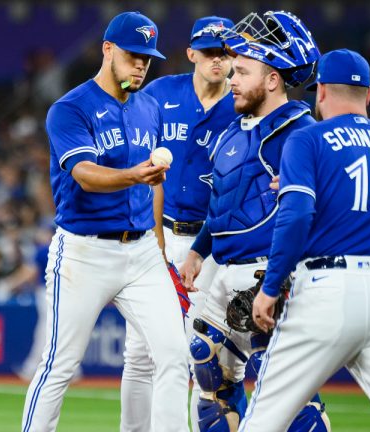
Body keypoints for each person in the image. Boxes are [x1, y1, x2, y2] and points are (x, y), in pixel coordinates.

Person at [21, 11, 189, 432]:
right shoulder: (71, 108)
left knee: (173, 355)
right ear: (108, 49)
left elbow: (154, 187)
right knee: (60, 364)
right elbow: (85, 175)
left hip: (142, 253)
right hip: (84, 250)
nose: (141, 65)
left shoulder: (149, 106)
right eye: (133, 55)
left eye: (147, 58)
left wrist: (160, 249)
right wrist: (136, 174)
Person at [243, 49, 370, 432]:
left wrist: (271, 287)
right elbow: (359, 206)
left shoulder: (307, 139)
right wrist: (301, 184)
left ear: (321, 91)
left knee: (263, 422)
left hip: (330, 291)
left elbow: (297, 216)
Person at [179, 11, 330, 432]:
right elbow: (223, 207)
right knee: (209, 376)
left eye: (243, 71)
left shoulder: (300, 132)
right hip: (222, 271)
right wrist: (197, 250)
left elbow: (316, 208)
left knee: (287, 393)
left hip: (270, 273)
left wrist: (277, 281)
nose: (232, 78)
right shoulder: (233, 131)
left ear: (272, 80)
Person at [125, 16, 236, 431]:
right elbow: (137, 160)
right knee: (138, 351)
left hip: (206, 247)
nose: (217, 61)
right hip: (157, 234)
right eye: (209, 52)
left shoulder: (240, 105)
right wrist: (150, 237)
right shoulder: (159, 93)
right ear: (191, 53)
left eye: (226, 53)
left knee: (197, 352)